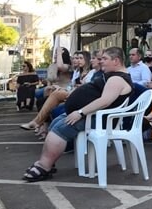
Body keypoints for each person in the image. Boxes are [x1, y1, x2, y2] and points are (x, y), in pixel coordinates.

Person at [20, 47, 134, 183]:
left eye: (104, 59)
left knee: (60, 129)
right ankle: (49, 163)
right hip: (90, 115)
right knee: (56, 122)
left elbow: (104, 101)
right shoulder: (112, 75)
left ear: (116, 61)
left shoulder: (117, 79)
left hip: (96, 119)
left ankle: (44, 166)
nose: (100, 61)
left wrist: (80, 113)